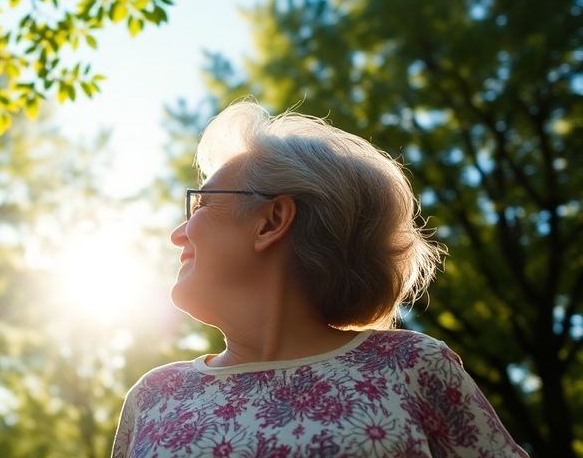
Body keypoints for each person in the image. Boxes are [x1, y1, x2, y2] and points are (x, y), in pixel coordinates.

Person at [111, 102, 528, 457]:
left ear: (271, 221)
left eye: (200, 206)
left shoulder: (411, 367)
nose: (177, 233)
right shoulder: (154, 397)